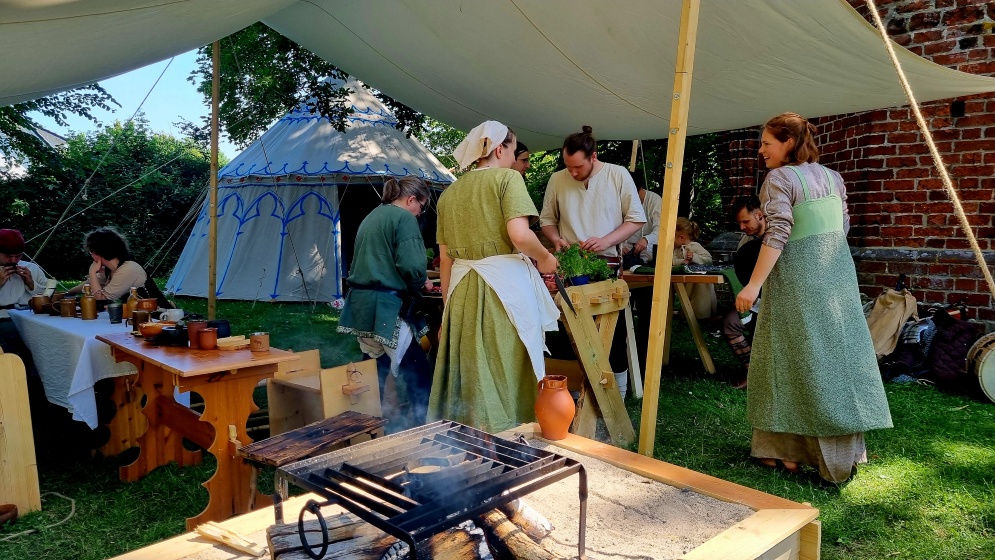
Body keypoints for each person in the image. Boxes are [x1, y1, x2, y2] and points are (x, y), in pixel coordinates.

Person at [734, 112, 892, 483]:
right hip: (836, 279)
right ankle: (836, 453)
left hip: (797, 282)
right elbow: (842, 228)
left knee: (790, 360)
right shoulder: (834, 178)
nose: (761, 151)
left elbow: (778, 233)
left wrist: (753, 285)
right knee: (835, 360)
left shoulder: (779, 179)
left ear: (787, 142)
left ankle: (790, 453)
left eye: (767, 143)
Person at [428, 121, 559, 433]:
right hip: (503, 291)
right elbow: (520, 235)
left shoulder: (449, 193)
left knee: (471, 369)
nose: (515, 158)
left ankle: (469, 436)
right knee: (504, 366)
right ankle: (509, 433)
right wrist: (545, 258)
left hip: (461, 291)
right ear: (500, 149)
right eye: (513, 151)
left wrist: (447, 310)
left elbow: (446, 260)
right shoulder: (507, 178)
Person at [540, 126, 645, 396]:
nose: (573, 173)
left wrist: (606, 240)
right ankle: (579, 390)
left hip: (606, 264)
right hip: (571, 265)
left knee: (611, 329)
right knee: (572, 329)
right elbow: (547, 220)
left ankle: (617, 392)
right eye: (568, 166)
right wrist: (556, 239)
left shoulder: (617, 174)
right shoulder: (557, 179)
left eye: (578, 167)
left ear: (593, 156)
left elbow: (636, 219)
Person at [337, 177, 435, 428]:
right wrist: (422, 281)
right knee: (417, 369)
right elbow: (411, 265)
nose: (420, 212)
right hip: (385, 305)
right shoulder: (403, 218)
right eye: (421, 206)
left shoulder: (374, 215)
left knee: (374, 369)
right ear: (411, 200)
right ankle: (421, 427)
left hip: (362, 302)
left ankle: (367, 426)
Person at [722, 195, 767, 389]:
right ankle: (752, 373)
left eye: (745, 221)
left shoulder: (779, 237)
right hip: (754, 301)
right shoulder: (746, 242)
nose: (742, 227)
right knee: (730, 323)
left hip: (780, 302)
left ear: (759, 215)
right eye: (739, 223)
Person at [0, 228, 47, 371]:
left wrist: (31, 283)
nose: (14, 261)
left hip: (31, 316)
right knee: (11, 336)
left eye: (18, 256)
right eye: (8, 256)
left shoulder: (32, 268)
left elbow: (48, 294)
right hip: (3, 319)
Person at [67, 227, 148, 304]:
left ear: (100, 252)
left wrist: (92, 272)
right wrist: (69, 293)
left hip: (150, 312)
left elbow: (101, 299)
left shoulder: (128, 269)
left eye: (91, 251)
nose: (91, 255)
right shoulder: (110, 269)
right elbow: (89, 283)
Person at [672, 217, 716, 320]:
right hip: (685, 280)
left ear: (681, 238)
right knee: (687, 296)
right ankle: (686, 313)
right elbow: (672, 260)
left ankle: (702, 315)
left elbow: (708, 259)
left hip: (697, 280)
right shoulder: (675, 249)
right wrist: (682, 261)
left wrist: (694, 257)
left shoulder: (695, 246)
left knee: (700, 297)